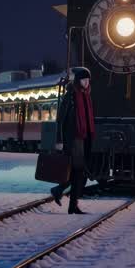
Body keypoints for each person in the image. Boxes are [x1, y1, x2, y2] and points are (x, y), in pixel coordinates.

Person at [51, 67, 95, 214]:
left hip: (83, 138)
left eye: (88, 80)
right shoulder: (70, 96)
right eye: (83, 80)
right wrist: (59, 140)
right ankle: (69, 202)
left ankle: (62, 193)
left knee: (78, 172)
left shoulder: (85, 95)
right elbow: (60, 119)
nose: (86, 82)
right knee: (78, 171)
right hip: (73, 139)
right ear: (77, 81)